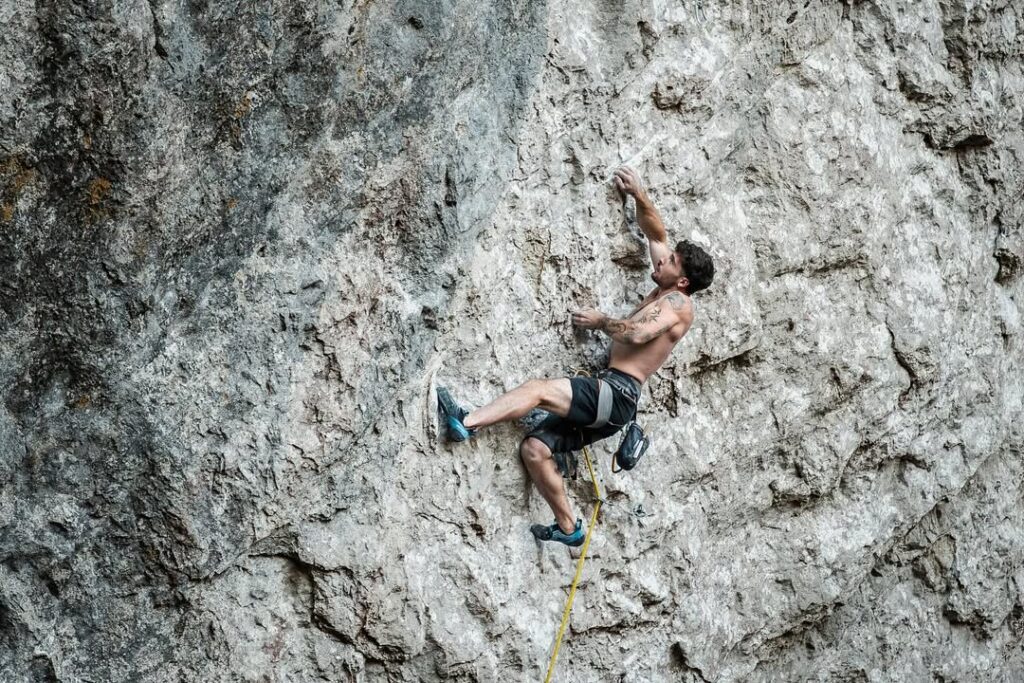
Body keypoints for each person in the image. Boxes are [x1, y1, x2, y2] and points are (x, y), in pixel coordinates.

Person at [437, 166, 715, 546]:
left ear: (682, 280)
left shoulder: (678, 304)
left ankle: (465, 423)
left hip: (617, 393)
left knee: (537, 390)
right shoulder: (668, 287)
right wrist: (639, 194)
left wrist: (601, 321)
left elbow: (637, 333)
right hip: (614, 408)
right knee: (535, 450)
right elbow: (657, 233)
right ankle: (569, 527)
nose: (662, 261)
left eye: (671, 263)